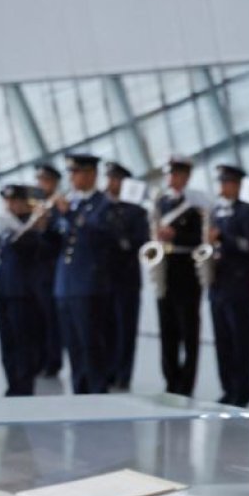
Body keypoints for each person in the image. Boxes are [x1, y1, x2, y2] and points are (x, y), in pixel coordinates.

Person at [51, 153, 118, 394]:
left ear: (91, 174)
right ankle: (80, 391)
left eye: (76, 172)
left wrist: (68, 214)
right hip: (65, 284)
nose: (72, 178)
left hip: (89, 284)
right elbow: (54, 244)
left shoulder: (103, 204)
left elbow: (99, 237)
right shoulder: (73, 203)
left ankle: (98, 391)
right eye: (70, 173)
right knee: (74, 345)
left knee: (91, 343)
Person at [0, 184, 56, 396]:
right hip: (3, 289)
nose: (10, 205)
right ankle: (12, 385)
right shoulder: (3, 225)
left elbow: (28, 247)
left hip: (24, 292)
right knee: (7, 343)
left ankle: (24, 388)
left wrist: (31, 224)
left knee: (25, 344)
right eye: (7, 201)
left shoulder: (34, 225)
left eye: (15, 201)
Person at [208, 164, 249, 408]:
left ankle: (242, 391)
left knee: (240, 341)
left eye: (226, 183)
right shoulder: (216, 212)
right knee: (222, 342)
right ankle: (227, 387)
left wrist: (222, 238)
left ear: (237, 185)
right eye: (220, 183)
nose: (222, 188)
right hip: (217, 285)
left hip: (238, 286)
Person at [153, 155, 207, 397]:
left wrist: (175, 235)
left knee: (189, 330)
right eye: (169, 174)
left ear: (185, 176)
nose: (171, 179)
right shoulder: (161, 203)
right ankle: (170, 379)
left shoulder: (195, 204)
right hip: (166, 269)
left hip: (187, 269)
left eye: (175, 174)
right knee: (167, 330)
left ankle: (186, 384)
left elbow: (200, 238)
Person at [103, 161, 149, 392]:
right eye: (109, 179)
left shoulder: (136, 211)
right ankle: (108, 370)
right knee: (107, 327)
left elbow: (137, 243)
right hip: (104, 278)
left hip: (127, 277)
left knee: (125, 328)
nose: (110, 184)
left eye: (116, 180)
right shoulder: (101, 207)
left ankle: (123, 373)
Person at [34, 163, 64, 377]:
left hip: (51, 267)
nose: (40, 184)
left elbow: (57, 237)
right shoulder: (36, 205)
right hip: (36, 269)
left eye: (44, 180)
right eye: (39, 180)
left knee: (52, 318)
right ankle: (40, 358)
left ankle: (53, 361)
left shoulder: (57, 207)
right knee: (38, 318)